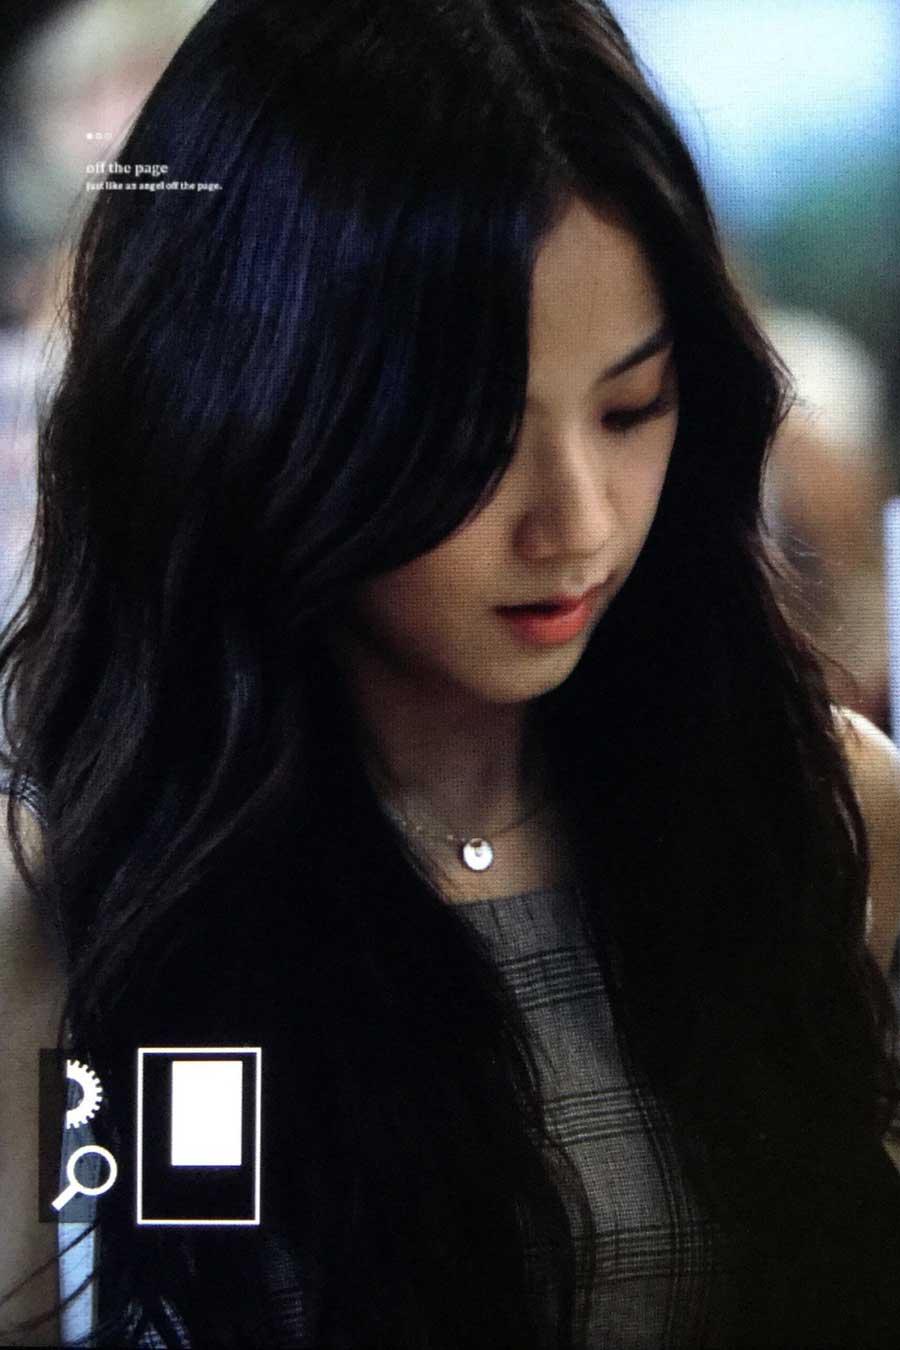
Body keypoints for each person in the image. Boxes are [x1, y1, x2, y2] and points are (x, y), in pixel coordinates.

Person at [0, 0, 899, 1346]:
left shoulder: (825, 814)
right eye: (473, 435)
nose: (576, 522)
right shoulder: (72, 893)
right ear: (252, 412)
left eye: (631, 408)